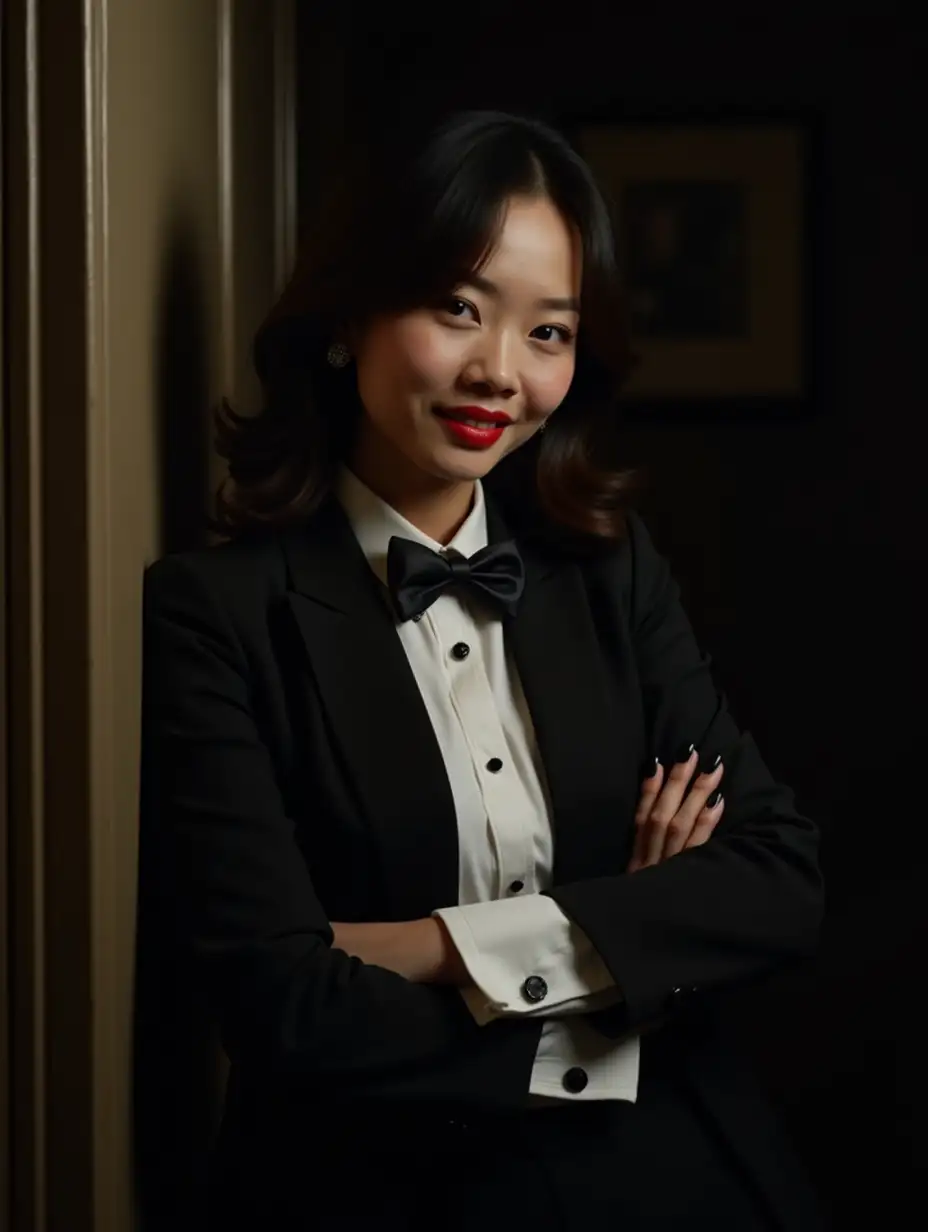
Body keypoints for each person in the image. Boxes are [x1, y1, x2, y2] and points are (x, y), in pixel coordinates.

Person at [141, 110, 824, 1230]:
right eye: (456, 307)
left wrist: (426, 944)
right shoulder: (217, 613)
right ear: (346, 315)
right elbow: (282, 1004)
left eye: (547, 332)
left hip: (672, 1167)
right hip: (377, 1189)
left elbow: (777, 880)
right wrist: (632, 929)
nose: (497, 371)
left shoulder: (610, 573)